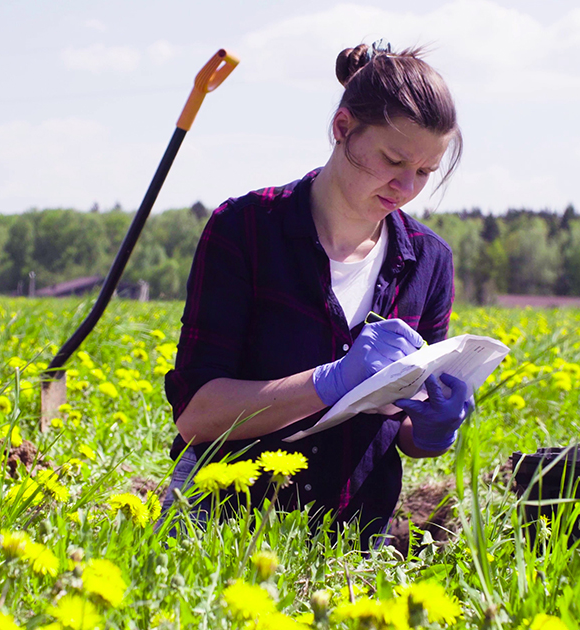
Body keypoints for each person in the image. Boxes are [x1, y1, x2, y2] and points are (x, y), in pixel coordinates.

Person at [162, 42, 472, 549]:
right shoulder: (245, 230)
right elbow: (198, 416)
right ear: (343, 128)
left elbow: (404, 428)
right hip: (222, 535)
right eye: (393, 160)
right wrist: (330, 381)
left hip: (353, 544)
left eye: (424, 171)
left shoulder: (429, 261)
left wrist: (434, 427)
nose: (405, 185)